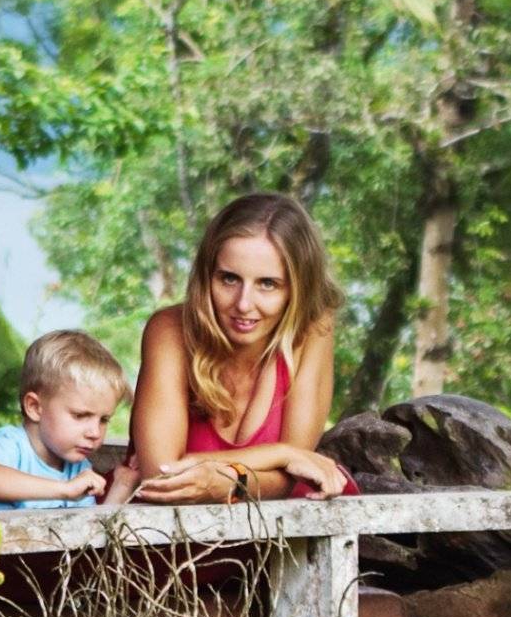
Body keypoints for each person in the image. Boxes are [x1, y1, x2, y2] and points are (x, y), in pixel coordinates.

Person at [127, 191, 354, 504]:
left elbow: (293, 478)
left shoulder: (313, 329)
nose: (244, 304)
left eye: (268, 284)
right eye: (229, 279)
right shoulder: (169, 330)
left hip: (272, 534)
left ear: (297, 290)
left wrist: (230, 482)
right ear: (207, 276)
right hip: (158, 542)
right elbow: (161, 477)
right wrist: (282, 453)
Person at [0, 330, 127, 511]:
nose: (95, 433)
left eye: (104, 419)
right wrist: (64, 489)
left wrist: (122, 487)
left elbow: (89, 530)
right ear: (34, 407)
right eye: (80, 415)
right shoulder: (12, 443)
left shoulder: (79, 468)